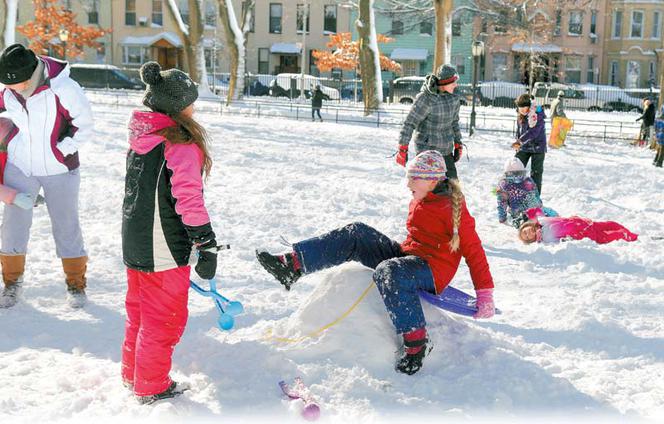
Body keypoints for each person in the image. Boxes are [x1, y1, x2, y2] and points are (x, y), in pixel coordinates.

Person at [256, 151, 495, 376]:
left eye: (413, 178)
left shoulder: (452, 209)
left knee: (388, 271)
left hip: (431, 271)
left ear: (431, 180)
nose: (408, 184)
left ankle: (417, 343)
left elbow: (474, 251)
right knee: (356, 232)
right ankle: (292, 265)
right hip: (407, 258)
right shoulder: (423, 197)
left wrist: (485, 294)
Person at [121, 61, 218, 404]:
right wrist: (206, 244)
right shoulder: (179, 143)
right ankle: (150, 385)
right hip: (161, 247)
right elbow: (188, 198)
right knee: (164, 319)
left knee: (140, 313)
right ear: (177, 107)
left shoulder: (141, 136)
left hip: (135, 241)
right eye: (190, 101)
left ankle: (133, 372)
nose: (194, 107)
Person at [0, 43, 93, 309]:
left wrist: (60, 149)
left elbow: (84, 127)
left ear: (30, 76)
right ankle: (11, 283)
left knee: (66, 225)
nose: (9, 90)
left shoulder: (63, 89)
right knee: (13, 225)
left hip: (59, 168)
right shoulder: (7, 89)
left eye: (14, 84)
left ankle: (76, 284)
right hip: (20, 166)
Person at [396, 64, 463, 180]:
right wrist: (403, 148)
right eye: (453, 82)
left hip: (446, 151)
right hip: (427, 153)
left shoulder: (454, 97)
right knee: (431, 191)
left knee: (454, 190)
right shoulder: (426, 99)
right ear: (444, 83)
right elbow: (409, 123)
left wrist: (458, 143)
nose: (456, 85)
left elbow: (454, 122)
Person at [518, 208, 638, 245]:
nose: (528, 233)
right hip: (584, 234)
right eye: (527, 236)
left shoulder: (541, 221)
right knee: (613, 235)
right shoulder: (545, 240)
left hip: (582, 223)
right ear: (531, 239)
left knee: (611, 224)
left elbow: (539, 210)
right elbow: (560, 242)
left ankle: (631, 234)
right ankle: (632, 237)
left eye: (525, 231)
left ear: (527, 226)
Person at [496, 157, 557, 228]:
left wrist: (502, 218)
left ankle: (548, 221)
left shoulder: (503, 184)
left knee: (526, 222)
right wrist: (540, 206)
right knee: (550, 214)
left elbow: (502, 204)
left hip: (520, 214)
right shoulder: (528, 180)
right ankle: (553, 220)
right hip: (535, 211)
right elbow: (536, 195)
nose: (517, 177)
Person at [512, 93, 547, 195]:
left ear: (529, 105)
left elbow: (534, 132)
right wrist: (518, 143)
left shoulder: (537, 114)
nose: (522, 109)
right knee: (515, 166)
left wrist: (520, 141)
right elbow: (519, 131)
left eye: (525, 106)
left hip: (538, 146)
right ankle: (514, 193)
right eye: (520, 107)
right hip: (524, 146)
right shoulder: (520, 116)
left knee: (536, 173)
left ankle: (535, 198)